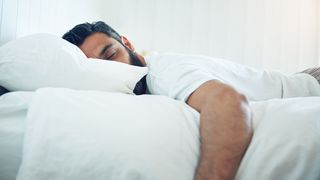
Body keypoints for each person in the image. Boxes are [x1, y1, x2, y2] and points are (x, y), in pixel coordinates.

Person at [62, 21, 320, 180]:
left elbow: (228, 103)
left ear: (126, 42)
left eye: (111, 54)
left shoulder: (160, 71)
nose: (112, 69)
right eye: (99, 68)